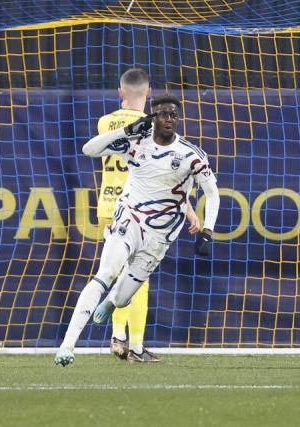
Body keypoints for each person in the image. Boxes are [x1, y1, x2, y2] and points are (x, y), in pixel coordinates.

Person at [55, 93, 219, 366]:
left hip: (160, 236)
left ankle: (111, 303)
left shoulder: (192, 155)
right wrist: (125, 131)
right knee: (105, 274)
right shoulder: (135, 142)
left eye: (173, 115)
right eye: (163, 114)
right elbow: (88, 149)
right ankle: (67, 346)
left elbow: (213, 194)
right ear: (153, 117)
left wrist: (208, 232)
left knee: (122, 298)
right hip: (128, 220)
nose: (169, 119)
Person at [95, 68, 200, 363]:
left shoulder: (104, 122)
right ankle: (135, 346)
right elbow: (167, 176)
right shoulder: (151, 127)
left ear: (120, 92)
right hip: (140, 207)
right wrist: (189, 210)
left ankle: (119, 337)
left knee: (118, 272)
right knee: (138, 276)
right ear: (149, 92)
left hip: (109, 206)